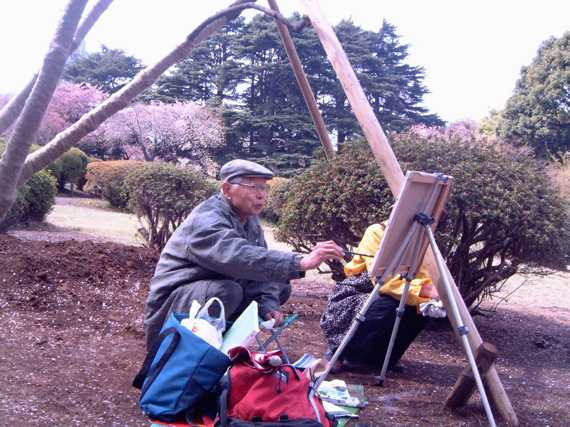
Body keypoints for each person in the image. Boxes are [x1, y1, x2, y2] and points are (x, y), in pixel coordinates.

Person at [144, 159, 344, 349]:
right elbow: (237, 256)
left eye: (264, 187)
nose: (261, 195)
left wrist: (267, 303)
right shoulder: (207, 219)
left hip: (213, 290)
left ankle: (224, 343)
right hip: (172, 305)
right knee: (227, 291)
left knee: (280, 284)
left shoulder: (249, 219)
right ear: (227, 189)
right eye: (253, 187)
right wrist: (299, 262)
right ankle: (186, 351)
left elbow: (259, 266)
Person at [321, 223, 440, 372]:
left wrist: (431, 295)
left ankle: (380, 360)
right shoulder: (377, 231)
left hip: (402, 288)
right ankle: (339, 352)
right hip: (362, 289)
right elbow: (382, 280)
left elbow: (424, 275)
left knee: (421, 309)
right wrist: (423, 290)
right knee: (387, 306)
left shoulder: (423, 239)